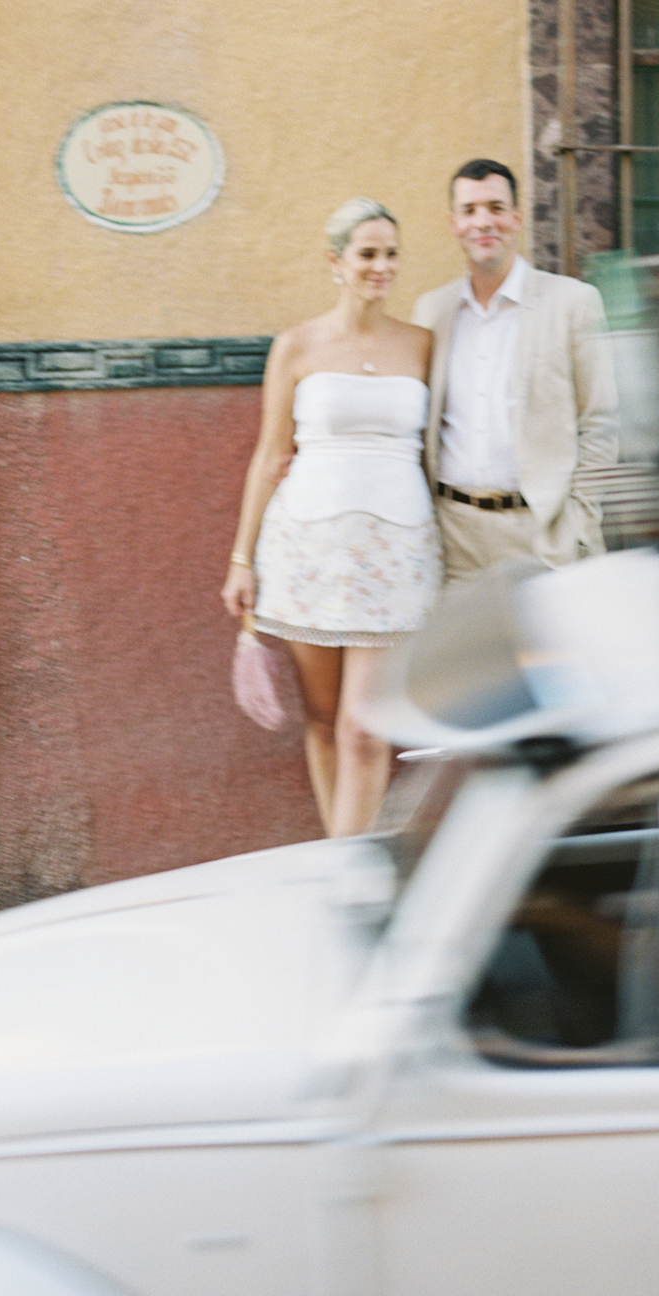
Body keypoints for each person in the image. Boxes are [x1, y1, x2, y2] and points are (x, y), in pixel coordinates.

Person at [222, 198, 442, 838]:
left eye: (392, 254)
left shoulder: (422, 345)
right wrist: (241, 558)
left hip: (395, 553)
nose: (382, 267)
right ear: (336, 262)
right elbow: (269, 456)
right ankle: (339, 852)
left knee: (365, 729)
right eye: (368, 254)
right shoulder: (296, 346)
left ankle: (347, 876)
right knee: (322, 720)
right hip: (307, 549)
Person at [412, 158, 617, 584]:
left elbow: (599, 422)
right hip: (455, 539)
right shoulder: (433, 311)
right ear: (453, 223)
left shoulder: (573, 303)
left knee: (551, 653)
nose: (483, 222)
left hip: (541, 534)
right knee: (466, 653)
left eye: (495, 207)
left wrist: (578, 521)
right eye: (469, 210)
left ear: (517, 218)